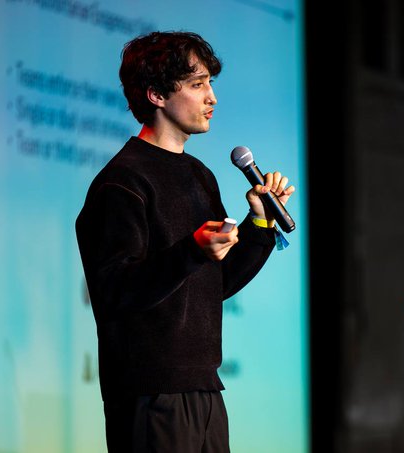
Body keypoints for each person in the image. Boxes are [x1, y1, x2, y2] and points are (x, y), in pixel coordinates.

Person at [75, 31, 295, 452]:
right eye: (197, 84)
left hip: (205, 388)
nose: (212, 97)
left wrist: (259, 222)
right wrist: (191, 251)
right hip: (150, 393)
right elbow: (115, 290)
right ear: (157, 95)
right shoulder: (122, 182)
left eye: (210, 82)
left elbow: (214, 283)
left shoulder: (199, 175)